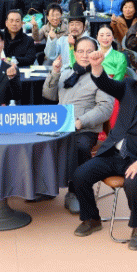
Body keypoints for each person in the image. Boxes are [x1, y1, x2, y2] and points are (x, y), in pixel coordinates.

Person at [72, 52, 137, 249]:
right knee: (80, 175)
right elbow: (105, 83)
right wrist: (96, 66)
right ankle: (92, 219)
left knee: (133, 182)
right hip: (114, 154)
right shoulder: (129, 87)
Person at [43, 37, 115, 213]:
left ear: (96, 53)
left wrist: (81, 122)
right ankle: (45, 188)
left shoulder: (101, 77)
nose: (84, 55)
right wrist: (54, 72)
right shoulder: (67, 73)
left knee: (80, 147)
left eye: (89, 51)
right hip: (61, 125)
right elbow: (49, 95)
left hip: (84, 129)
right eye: (80, 51)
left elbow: (105, 109)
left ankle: (75, 193)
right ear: (74, 54)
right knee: (38, 143)